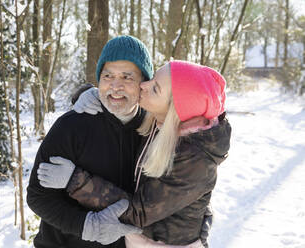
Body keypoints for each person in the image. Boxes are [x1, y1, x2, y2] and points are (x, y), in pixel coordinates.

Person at [37, 60, 231, 247]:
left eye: (155, 88)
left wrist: (75, 180)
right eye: (153, 78)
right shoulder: (157, 123)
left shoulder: (193, 157)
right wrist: (94, 94)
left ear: (174, 109)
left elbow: (140, 212)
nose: (144, 85)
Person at [27, 35, 154, 248]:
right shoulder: (72, 126)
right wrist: (87, 226)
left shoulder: (153, 130)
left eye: (127, 77)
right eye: (107, 76)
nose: (115, 86)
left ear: (144, 83)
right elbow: (38, 196)